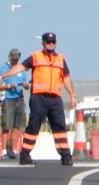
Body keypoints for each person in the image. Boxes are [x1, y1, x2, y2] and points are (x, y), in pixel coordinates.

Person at [20, 31, 75, 165]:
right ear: (43, 43)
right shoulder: (36, 57)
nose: (50, 44)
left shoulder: (61, 59)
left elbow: (66, 78)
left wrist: (72, 95)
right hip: (39, 97)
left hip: (55, 98)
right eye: (48, 42)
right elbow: (21, 67)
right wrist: (3, 76)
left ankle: (66, 155)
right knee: (34, 126)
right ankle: (25, 154)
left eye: (53, 42)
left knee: (60, 126)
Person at [0, 50, 29, 156]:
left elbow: (26, 83)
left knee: (17, 125)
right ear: (9, 57)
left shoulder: (21, 69)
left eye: (17, 57)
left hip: (19, 99)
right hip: (8, 99)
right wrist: (8, 86)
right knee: (6, 125)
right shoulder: (2, 69)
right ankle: (4, 150)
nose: (15, 59)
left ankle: (14, 149)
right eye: (13, 57)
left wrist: (26, 85)